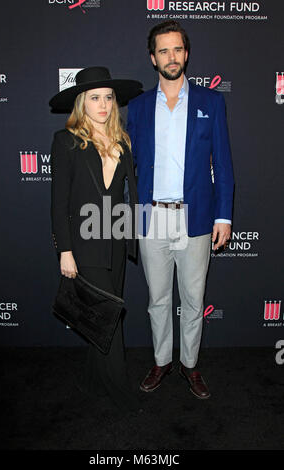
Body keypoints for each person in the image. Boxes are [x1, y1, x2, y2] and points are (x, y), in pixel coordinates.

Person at [127, 21, 234, 399]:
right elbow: (128, 164)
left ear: (185, 54)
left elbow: (222, 164)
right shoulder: (138, 108)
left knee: (192, 298)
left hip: (198, 218)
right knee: (157, 299)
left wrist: (223, 216)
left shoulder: (211, 102)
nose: (171, 57)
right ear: (152, 58)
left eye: (177, 49)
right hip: (150, 217)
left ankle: (189, 365)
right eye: (163, 51)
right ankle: (162, 361)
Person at [49, 66, 143, 413]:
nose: (103, 105)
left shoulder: (123, 141)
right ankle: (119, 389)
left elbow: (125, 194)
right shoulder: (67, 141)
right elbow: (59, 203)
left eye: (108, 98)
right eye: (94, 98)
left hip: (115, 239)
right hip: (84, 243)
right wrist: (65, 251)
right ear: (81, 103)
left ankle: (92, 378)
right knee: (110, 315)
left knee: (101, 316)